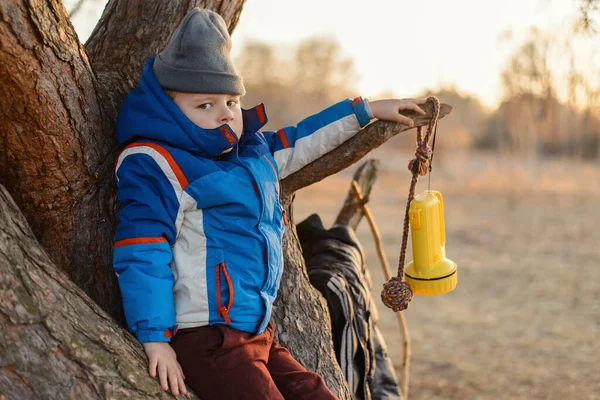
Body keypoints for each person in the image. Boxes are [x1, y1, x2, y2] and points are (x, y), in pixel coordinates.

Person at [113, 7, 426, 399]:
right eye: (204, 106)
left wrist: (367, 111)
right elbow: (142, 251)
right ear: (169, 109)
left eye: (230, 101)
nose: (224, 114)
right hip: (206, 336)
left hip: (257, 330)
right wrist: (154, 338)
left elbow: (302, 140)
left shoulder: (251, 155)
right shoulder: (157, 163)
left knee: (316, 392)